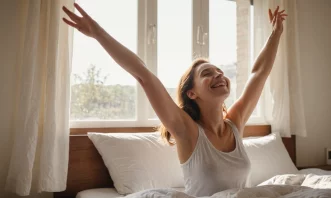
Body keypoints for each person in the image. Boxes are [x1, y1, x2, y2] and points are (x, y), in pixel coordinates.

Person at [63, 4, 287, 197]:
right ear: (192, 93)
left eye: (220, 71)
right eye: (208, 73)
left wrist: (276, 33)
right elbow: (143, 75)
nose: (219, 74)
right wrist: (99, 33)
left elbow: (259, 74)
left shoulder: (235, 124)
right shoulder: (186, 131)